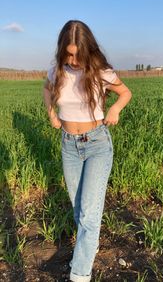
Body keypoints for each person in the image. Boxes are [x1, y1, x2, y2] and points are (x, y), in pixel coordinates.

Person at [43, 20, 132, 282]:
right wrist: (51, 115)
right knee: (79, 208)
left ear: (87, 49)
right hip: (68, 145)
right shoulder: (56, 71)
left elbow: (125, 92)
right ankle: (86, 250)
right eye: (68, 53)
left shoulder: (100, 71)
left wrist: (114, 109)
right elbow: (46, 90)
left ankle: (80, 273)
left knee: (89, 214)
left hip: (96, 144)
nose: (73, 59)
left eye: (77, 54)